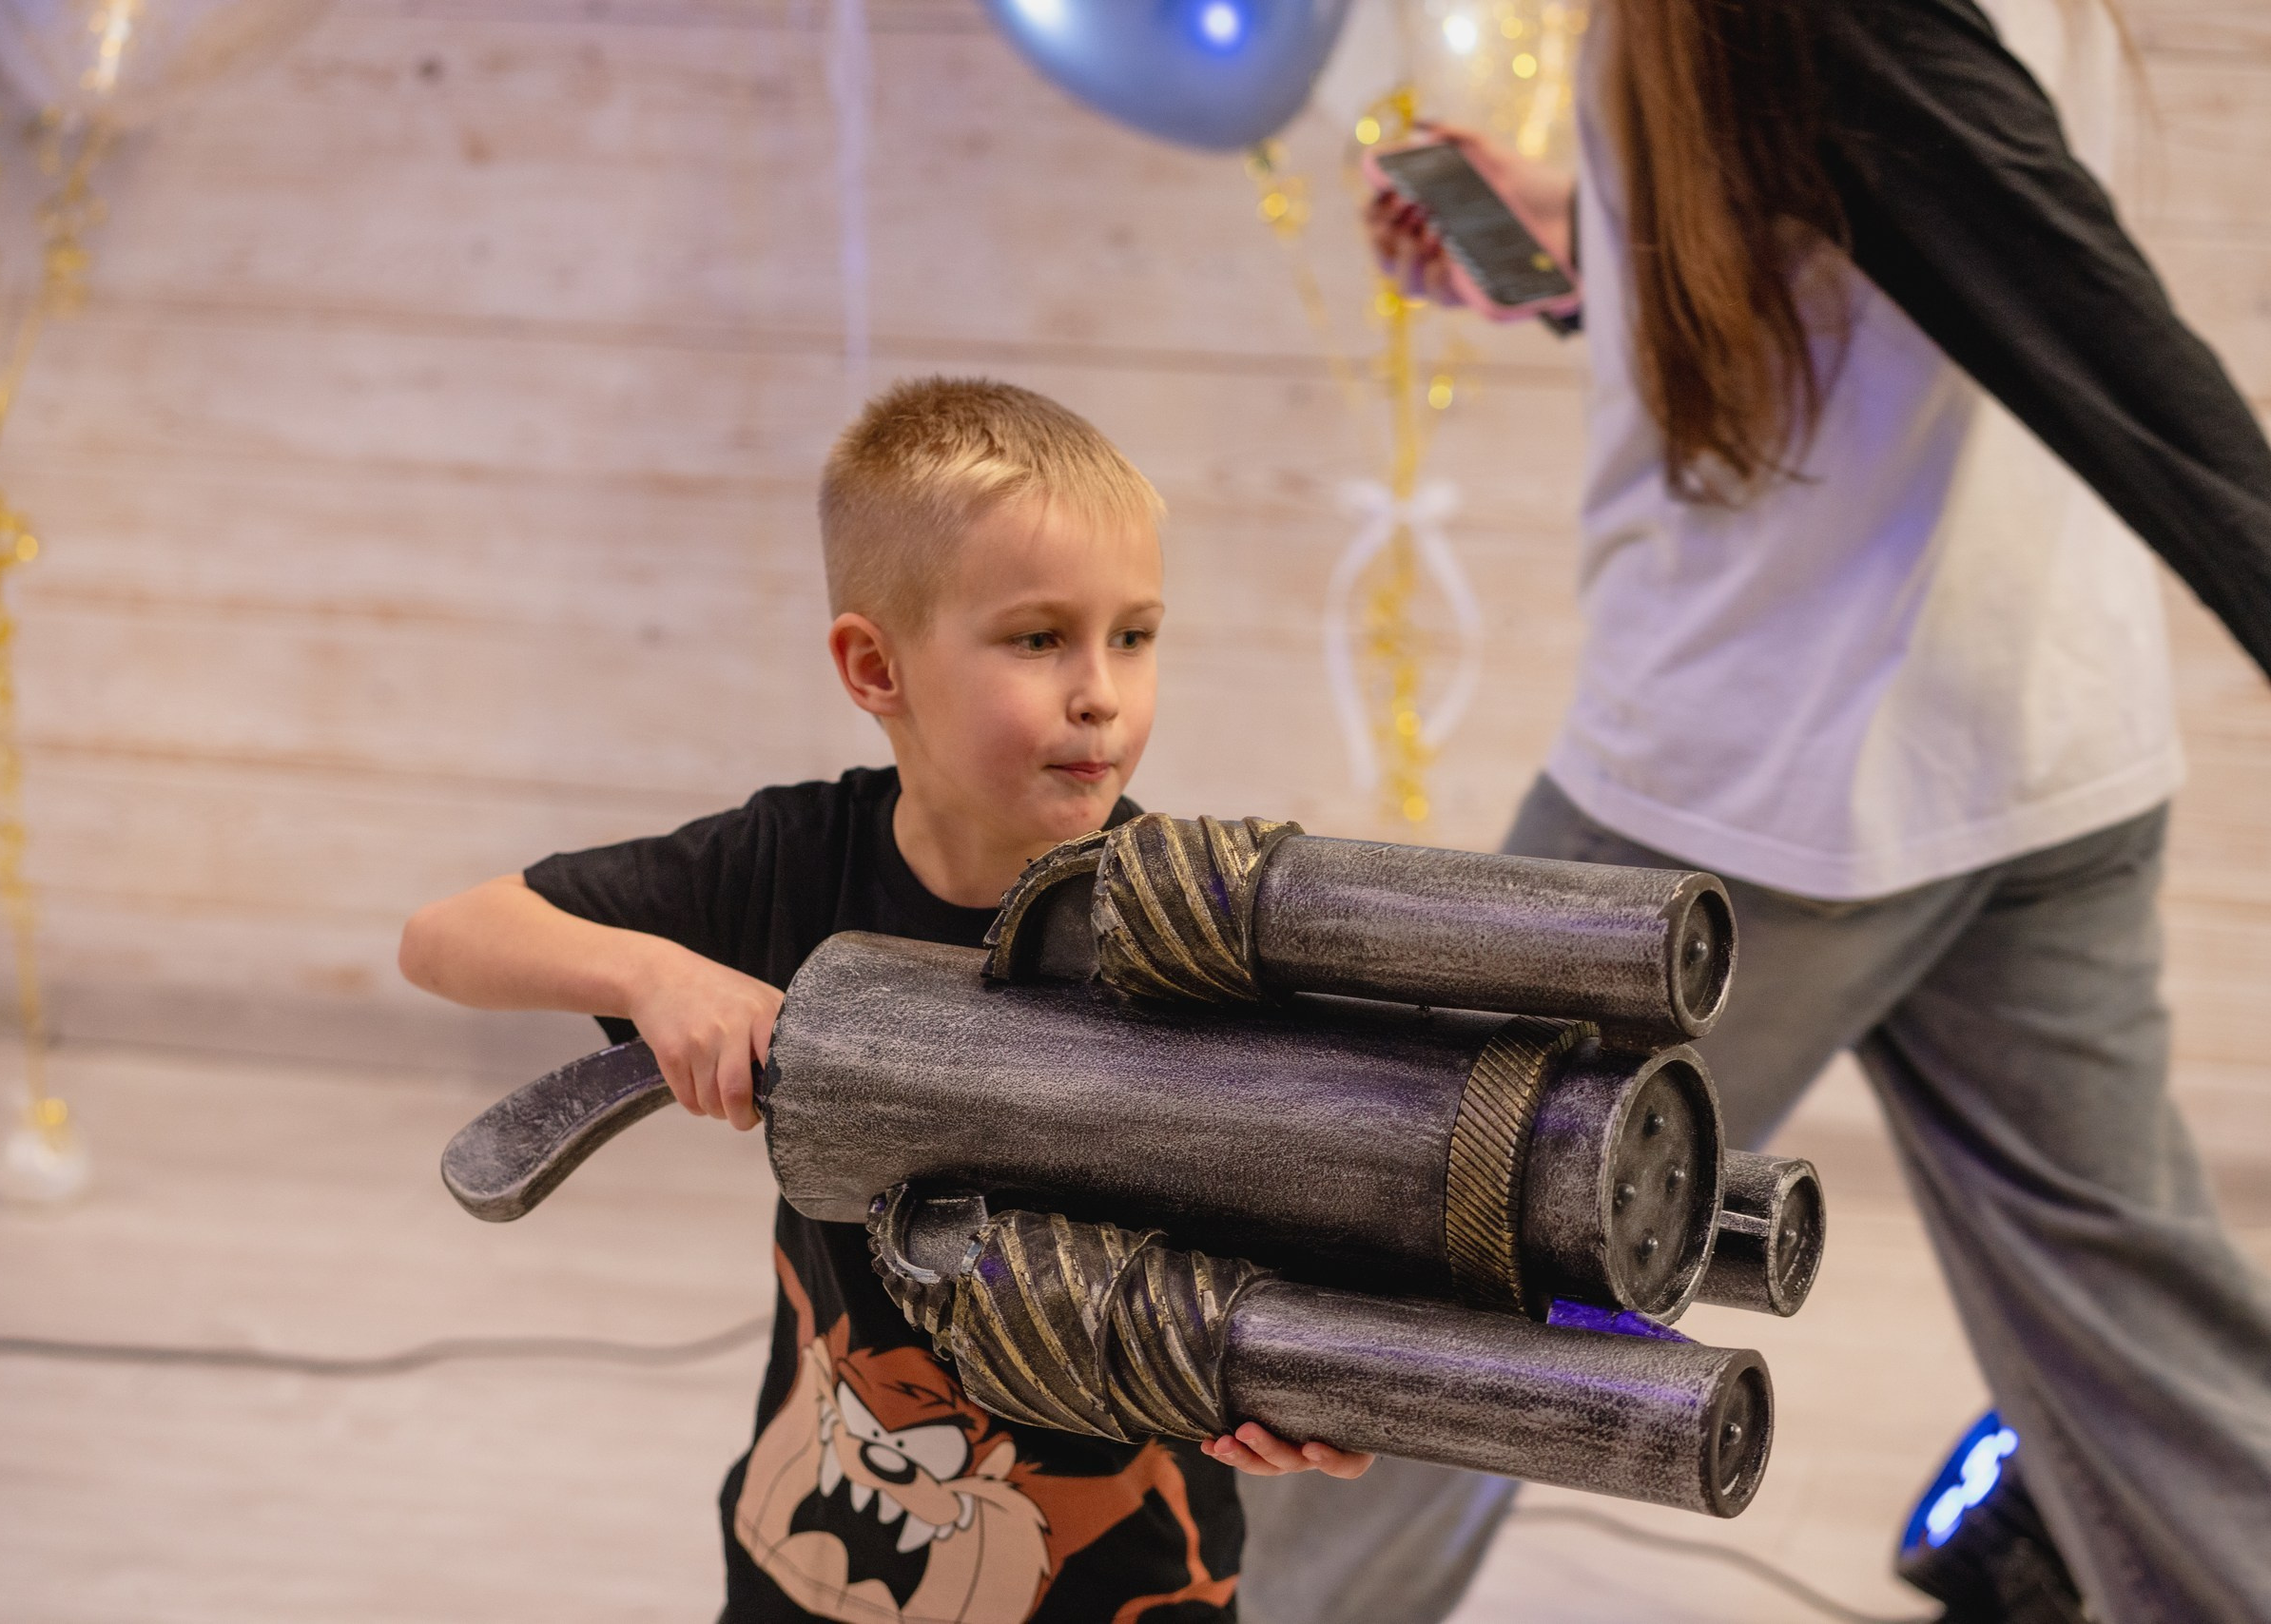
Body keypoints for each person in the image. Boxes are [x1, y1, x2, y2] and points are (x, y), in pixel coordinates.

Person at [1236, 0, 2271, 1619]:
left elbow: (2101, 344)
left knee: (1423, 1292)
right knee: (2142, 1348)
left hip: (1752, 793)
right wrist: (1590, 239)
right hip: (2039, 742)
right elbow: (1886, 261)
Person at [398, 377, 1368, 1624]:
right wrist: (658, 975)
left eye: (1134, 636)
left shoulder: (1199, 935)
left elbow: (1309, 1247)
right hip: (815, 1566)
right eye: (1039, 639)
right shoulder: (793, 866)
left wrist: (1312, 1389)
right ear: (875, 666)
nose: (1102, 693)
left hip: (1127, 1595)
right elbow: (446, 937)